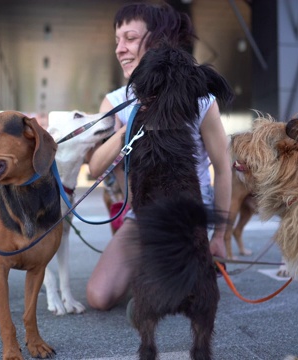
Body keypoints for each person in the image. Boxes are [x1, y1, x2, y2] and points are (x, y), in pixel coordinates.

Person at [86, 2, 233, 311]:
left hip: (187, 212)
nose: (119, 49)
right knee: (98, 297)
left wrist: (220, 235)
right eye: (117, 41)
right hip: (143, 214)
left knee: (175, 292)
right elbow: (96, 167)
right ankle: (155, 272)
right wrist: (127, 126)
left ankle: (178, 268)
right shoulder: (114, 102)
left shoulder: (200, 98)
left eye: (129, 38)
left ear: (155, 40)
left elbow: (223, 167)